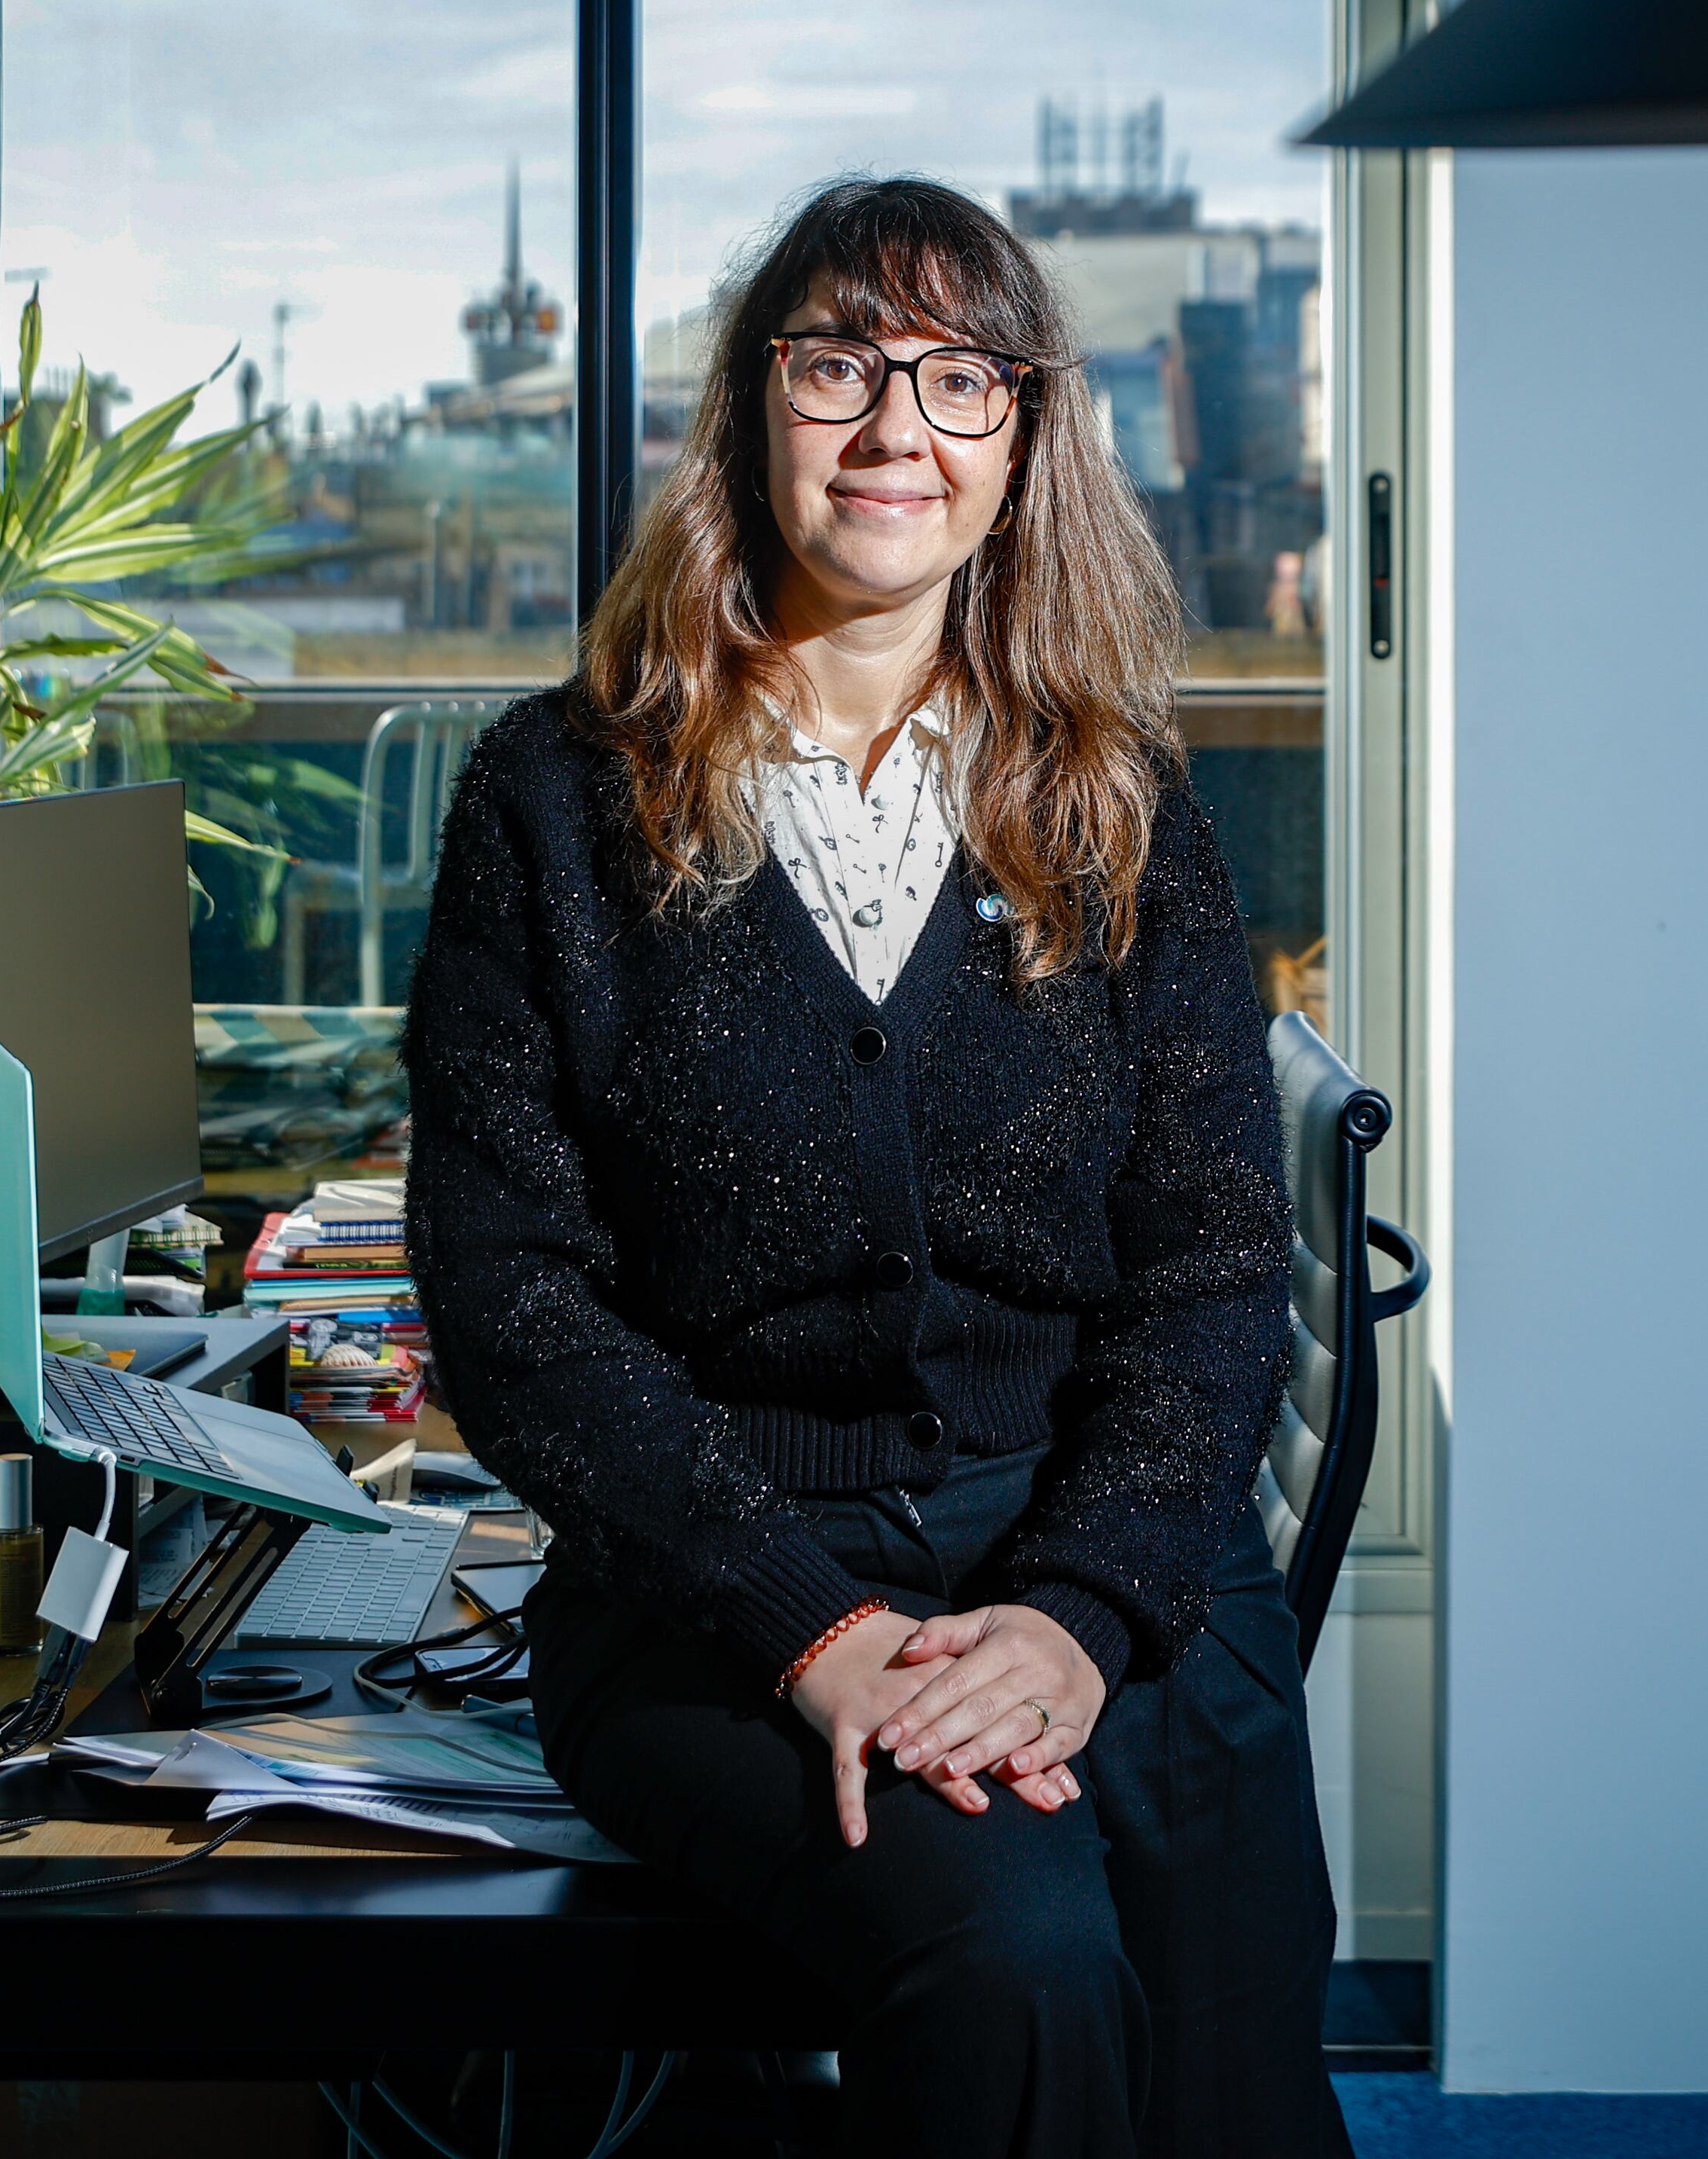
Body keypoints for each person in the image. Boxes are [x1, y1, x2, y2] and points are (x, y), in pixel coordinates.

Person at [404, 176, 1349, 2159]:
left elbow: (1207, 1274)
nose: (895, 426)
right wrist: (815, 1631)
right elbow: (511, 1304)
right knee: (1012, 1960)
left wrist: (1081, 1617)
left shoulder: (1120, 801)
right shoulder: (553, 799)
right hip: (718, 1596)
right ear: (755, 411)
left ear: (1024, 440)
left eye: (958, 378)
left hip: (1098, 1555)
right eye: (839, 365)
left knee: (1220, 2054)